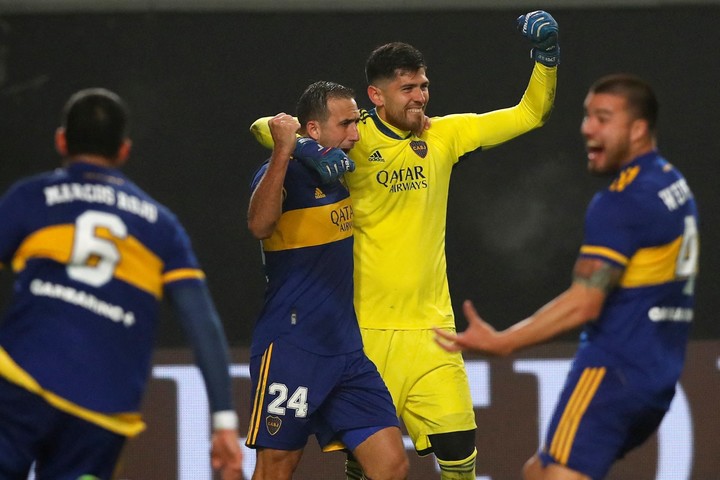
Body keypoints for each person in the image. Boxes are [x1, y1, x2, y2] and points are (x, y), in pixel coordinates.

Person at [250, 11, 559, 480]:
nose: (420, 98)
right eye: (407, 89)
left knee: (460, 459)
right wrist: (310, 151)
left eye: (423, 86)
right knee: (374, 466)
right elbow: (267, 126)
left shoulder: (445, 136)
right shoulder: (351, 138)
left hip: (435, 332)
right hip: (367, 333)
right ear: (377, 95)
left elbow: (530, 114)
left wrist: (547, 59)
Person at [434, 74, 699, 480]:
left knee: (558, 474)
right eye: (587, 115)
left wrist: (505, 342)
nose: (587, 128)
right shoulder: (672, 183)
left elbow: (585, 301)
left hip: (612, 372)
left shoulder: (621, 202)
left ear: (639, 128)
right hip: (657, 374)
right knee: (538, 471)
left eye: (603, 117)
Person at [0, 88, 243, 480]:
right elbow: (203, 324)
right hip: (101, 413)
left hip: (18, 387)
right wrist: (225, 422)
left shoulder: (30, 198)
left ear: (62, 140)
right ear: (124, 150)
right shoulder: (160, 226)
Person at [245, 80, 408, 480]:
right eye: (345, 124)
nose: (355, 133)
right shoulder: (279, 173)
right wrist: (286, 149)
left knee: (391, 466)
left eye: (356, 121)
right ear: (313, 130)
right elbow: (260, 225)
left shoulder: (337, 169)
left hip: (346, 350)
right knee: (276, 469)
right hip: (292, 347)